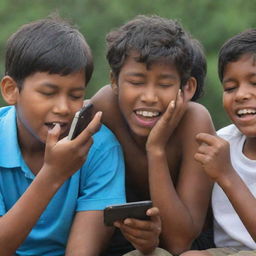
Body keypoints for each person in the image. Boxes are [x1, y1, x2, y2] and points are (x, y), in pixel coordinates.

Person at [0, 16, 126, 255]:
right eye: (48, 93)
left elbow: (82, 251)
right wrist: (53, 175)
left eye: (75, 95)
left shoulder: (99, 148)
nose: (63, 108)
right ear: (11, 90)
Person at [91, 15, 216, 256]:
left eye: (164, 83)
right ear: (114, 81)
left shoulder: (194, 121)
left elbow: (180, 243)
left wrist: (156, 149)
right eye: (136, 82)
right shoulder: (103, 109)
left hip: (187, 244)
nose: (149, 96)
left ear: (186, 88)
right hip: (119, 239)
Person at [180, 28, 256, 256]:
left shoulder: (222, 162)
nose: (241, 94)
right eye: (230, 88)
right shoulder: (222, 143)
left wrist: (226, 175)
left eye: (254, 83)